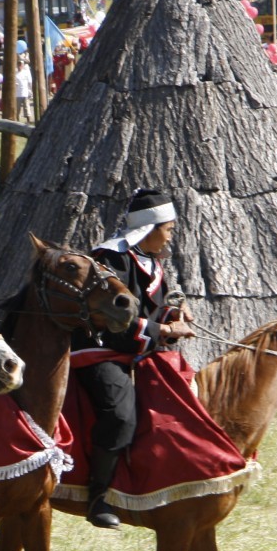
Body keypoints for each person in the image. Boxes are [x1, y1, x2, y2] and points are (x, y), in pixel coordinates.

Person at [78, 189, 194, 530]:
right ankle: (97, 497)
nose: (171, 233)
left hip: (137, 352)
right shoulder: (111, 259)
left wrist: (177, 310)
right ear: (149, 228)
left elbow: (157, 302)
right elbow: (115, 320)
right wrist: (163, 328)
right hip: (101, 350)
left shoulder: (152, 260)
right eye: (168, 228)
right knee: (121, 414)